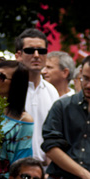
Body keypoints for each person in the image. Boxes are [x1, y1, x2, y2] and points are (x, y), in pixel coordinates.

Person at [13, 28, 60, 161]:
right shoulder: (8, 87)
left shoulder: (51, 91)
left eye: (42, 51)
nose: (36, 55)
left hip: (41, 170)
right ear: (18, 55)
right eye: (29, 50)